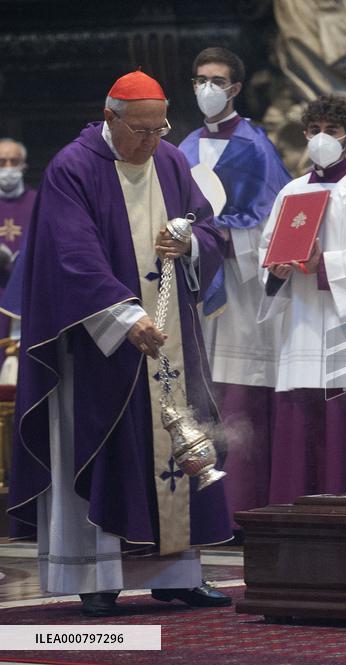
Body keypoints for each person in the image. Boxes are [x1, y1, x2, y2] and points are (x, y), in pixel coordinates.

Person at [6, 70, 232, 617]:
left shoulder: (173, 160)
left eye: (160, 129)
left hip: (170, 337)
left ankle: (177, 574)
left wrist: (190, 240)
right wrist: (124, 316)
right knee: (107, 447)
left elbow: (209, 228)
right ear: (110, 118)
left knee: (177, 455)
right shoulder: (73, 168)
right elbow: (72, 257)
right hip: (100, 342)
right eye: (141, 130)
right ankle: (97, 577)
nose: (151, 142)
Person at [258, 95, 346, 503]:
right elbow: (267, 250)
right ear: (304, 134)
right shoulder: (290, 191)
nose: (322, 138)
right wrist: (276, 270)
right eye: (314, 130)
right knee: (303, 427)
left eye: (332, 131)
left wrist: (328, 263)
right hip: (303, 324)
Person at [179, 47, 291, 528]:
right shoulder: (180, 147)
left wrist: (223, 235)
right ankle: (198, 512)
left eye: (216, 80)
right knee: (195, 397)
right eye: (200, 79)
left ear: (236, 89)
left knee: (241, 399)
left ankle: (242, 512)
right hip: (195, 289)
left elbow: (275, 224)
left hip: (242, 296)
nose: (207, 88)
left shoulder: (255, 147)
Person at [0, 138, 36, 340]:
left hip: (24, 296)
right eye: (2, 162)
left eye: (14, 161)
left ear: (23, 165)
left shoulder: (38, 201)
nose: (8, 168)